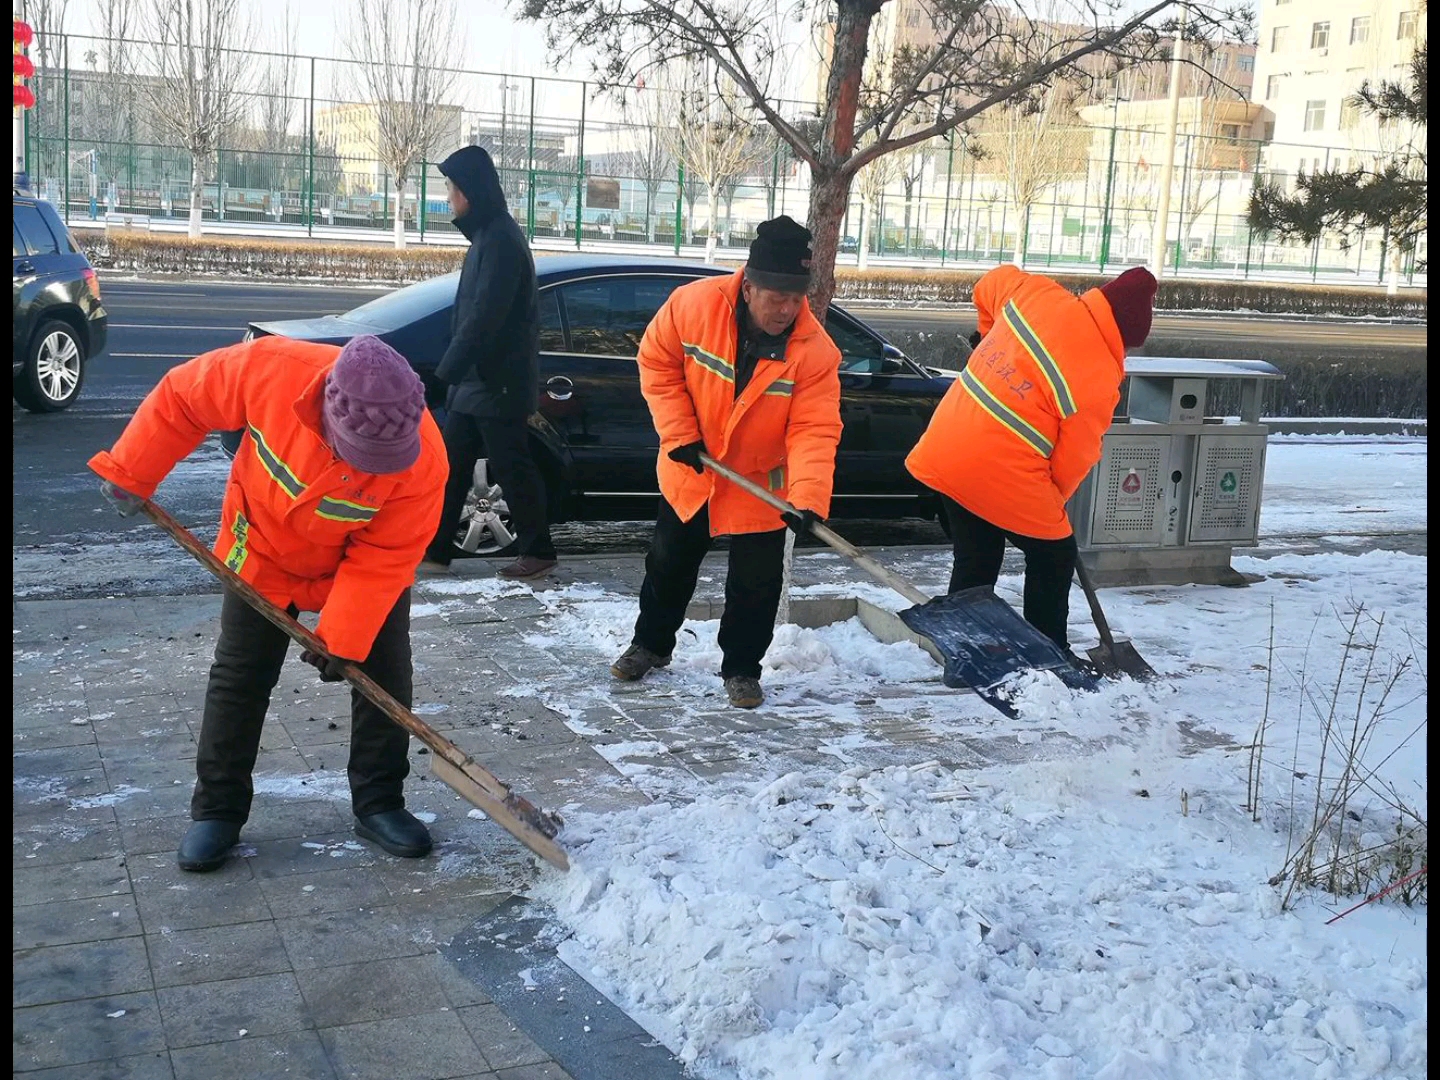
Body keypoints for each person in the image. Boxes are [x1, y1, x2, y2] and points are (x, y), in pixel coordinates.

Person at [88, 335, 448, 873]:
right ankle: (217, 811)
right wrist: (132, 471)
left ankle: (380, 803)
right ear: (327, 411)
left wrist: (343, 638)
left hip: (354, 568)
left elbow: (386, 556)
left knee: (383, 675)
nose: (375, 470)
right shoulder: (269, 370)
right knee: (240, 675)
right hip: (258, 546)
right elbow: (181, 398)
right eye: (362, 455)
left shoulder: (424, 462)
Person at [610, 216, 843, 709]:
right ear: (750, 285)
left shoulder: (815, 351)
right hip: (692, 464)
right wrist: (679, 433)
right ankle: (650, 645)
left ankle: (741, 669)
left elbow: (814, 429)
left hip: (761, 482)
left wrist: (807, 498)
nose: (787, 310)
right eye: (777, 297)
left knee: (755, 585)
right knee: (668, 564)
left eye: (796, 298)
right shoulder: (694, 306)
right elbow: (656, 361)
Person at [906, 264, 1158, 654]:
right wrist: (1051, 507)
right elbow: (1075, 458)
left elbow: (989, 283)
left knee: (977, 556)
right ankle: (1049, 652)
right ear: (1123, 337)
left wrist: (988, 333)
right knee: (1055, 555)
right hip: (1002, 470)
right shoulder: (1100, 375)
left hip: (944, 447)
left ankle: (964, 655)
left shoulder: (1037, 293)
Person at [420, 144, 557, 581]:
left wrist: (444, 376)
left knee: (513, 466)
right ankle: (436, 550)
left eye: (451, 188)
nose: (448, 198)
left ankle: (538, 551)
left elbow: (483, 320)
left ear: (471, 192)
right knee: (450, 467)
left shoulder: (499, 240)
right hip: (476, 386)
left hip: (497, 384)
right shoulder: (488, 236)